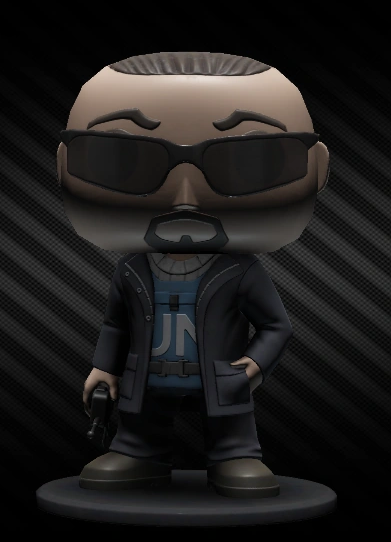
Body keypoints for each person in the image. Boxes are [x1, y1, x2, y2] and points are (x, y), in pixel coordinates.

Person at [56, 52, 330, 498]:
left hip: (218, 374)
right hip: (147, 373)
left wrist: (255, 364)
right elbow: (115, 324)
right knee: (141, 419)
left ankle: (235, 453)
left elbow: (276, 325)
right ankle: (139, 451)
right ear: (64, 164)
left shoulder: (242, 270)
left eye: (249, 162)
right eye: (123, 160)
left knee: (229, 421)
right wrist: (104, 368)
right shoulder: (132, 268)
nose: (185, 198)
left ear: (318, 168)